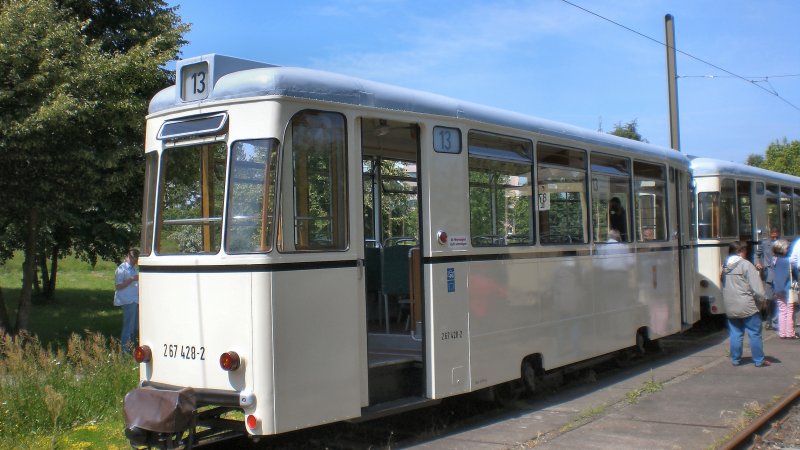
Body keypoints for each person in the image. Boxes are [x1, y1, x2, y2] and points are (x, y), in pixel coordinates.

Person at [721, 241, 770, 367]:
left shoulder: (724, 266)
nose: (746, 253)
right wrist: (762, 301)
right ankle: (759, 360)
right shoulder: (746, 265)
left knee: (736, 333)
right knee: (754, 333)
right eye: (745, 251)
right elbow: (757, 289)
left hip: (731, 306)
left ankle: (736, 359)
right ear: (740, 252)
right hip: (747, 305)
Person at [115, 248, 140, 351]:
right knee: (129, 326)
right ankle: (125, 350)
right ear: (129, 257)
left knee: (134, 327)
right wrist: (131, 279)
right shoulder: (122, 269)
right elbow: (118, 286)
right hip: (128, 300)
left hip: (135, 300)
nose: (136, 261)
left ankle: (132, 347)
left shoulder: (133, 269)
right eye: (134, 259)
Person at [771, 239, 796, 339]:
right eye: (786, 248)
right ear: (781, 249)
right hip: (787, 288)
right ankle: (790, 332)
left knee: (782, 311)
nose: (788, 249)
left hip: (777, 288)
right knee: (790, 310)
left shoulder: (774, 260)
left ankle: (782, 332)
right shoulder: (787, 261)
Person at [756, 226, 780, 329]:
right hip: (768, 274)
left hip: (780, 274)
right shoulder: (765, 243)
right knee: (769, 299)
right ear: (770, 234)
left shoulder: (783, 243)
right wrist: (757, 263)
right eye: (773, 234)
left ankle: (775, 321)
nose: (774, 236)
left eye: (776, 234)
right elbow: (757, 254)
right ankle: (770, 319)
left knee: (779, 299)